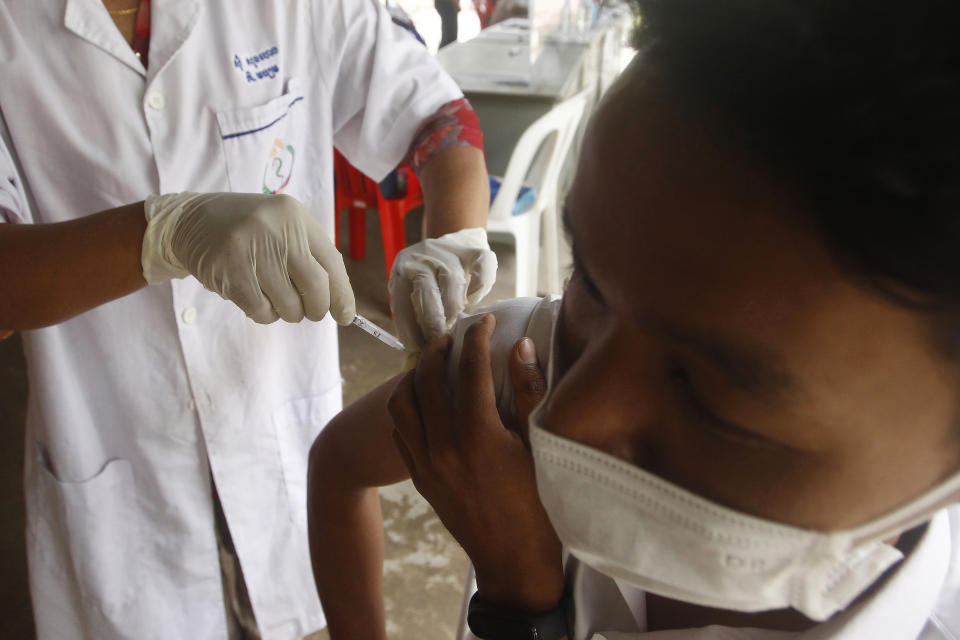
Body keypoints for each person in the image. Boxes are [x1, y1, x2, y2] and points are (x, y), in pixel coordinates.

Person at [307, 1, 960, 638]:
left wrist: (522, 602)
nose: (564, 420)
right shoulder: (535, 361)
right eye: (587, 276)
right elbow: (338, 467)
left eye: (713, 399)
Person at [0, 0, 495, 638]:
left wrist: (456, 242)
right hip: (114, 449)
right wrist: (164, 235)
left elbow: (439, 117)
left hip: (280, 417)